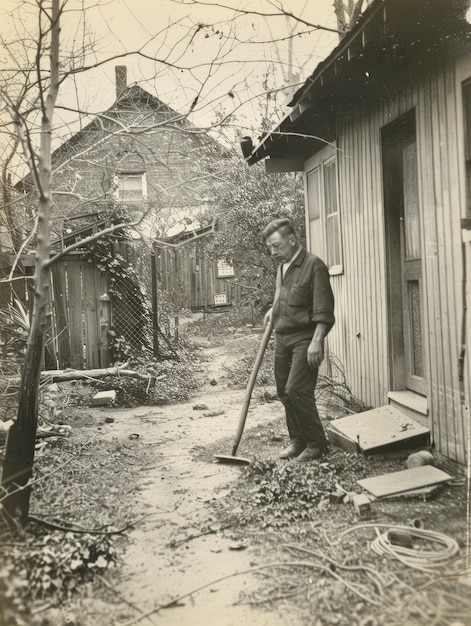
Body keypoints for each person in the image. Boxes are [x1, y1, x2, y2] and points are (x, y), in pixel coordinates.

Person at [263, 218, 335, 462]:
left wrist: (318, 341)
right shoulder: (283, 266)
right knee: (284, 391)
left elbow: (324, 309)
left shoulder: (314, 265)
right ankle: (298, 440)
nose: (273, 252)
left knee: (297, 390)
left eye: (276, 246)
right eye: (270, 247)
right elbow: (280, 294)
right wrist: (273, 309)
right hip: (282, 336)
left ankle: (316, 444)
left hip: (305, 338)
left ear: (292, 240)